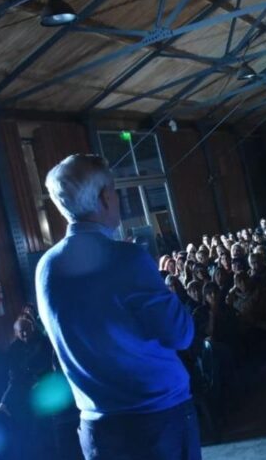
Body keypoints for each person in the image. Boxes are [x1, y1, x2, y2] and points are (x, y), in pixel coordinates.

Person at [37, 154, 199, 460]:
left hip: (96, 427)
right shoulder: (126, 258)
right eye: (114, 190)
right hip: (155, 422)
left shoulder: (46, 267)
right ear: (103, 199)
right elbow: (181, 334)